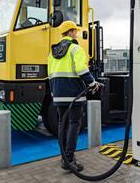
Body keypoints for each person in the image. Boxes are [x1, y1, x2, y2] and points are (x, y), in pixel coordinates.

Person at [48, 20, 101, 172]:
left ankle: (64, 156)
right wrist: (92, 83)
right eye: (75, 31)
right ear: (70, 32)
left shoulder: (52, 52)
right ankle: (69, 158)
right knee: (74, 123)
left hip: (58, 94)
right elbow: (81, 69)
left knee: (62, 124)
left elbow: (50, 75)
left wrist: (53, 93)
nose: (76, 34)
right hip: (74, 94)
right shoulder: (75, 49)